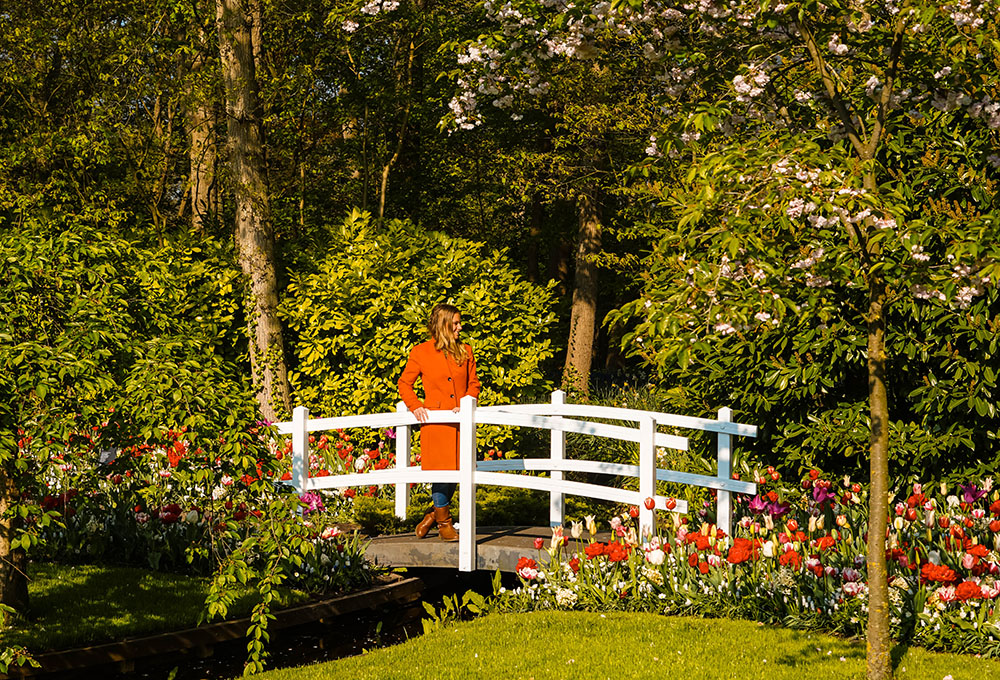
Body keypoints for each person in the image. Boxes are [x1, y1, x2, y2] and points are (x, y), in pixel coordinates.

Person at [398, 303, 481, 541]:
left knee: (458, 473)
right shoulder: (421, 352)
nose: (460, 327)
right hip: (435, 424)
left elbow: (474, 383)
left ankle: (433, 515)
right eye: (455, 323)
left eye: (459, 322)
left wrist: (466, 401)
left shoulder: (465, 350)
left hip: (460, 424)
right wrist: (416, 406)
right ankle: (445, 524)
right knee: (442, 474)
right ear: (443, 325)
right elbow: (404, 383)